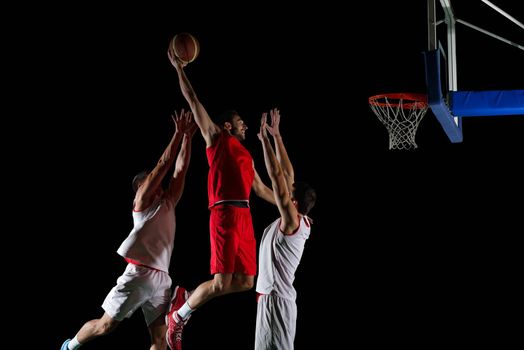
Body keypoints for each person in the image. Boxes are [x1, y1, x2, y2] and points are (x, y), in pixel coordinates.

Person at [166, 45, 276, 350]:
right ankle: (179, 315)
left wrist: (286, 206)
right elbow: (193, 99)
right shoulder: (216, 137)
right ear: (228, 125)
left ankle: (186, 300)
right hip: (224, 213)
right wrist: (179, 69)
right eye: (241, 122)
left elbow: (262, 189)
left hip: (245, 217)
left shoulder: (247, 157)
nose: (245, 125)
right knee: (219, 282)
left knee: (245, 283)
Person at [60, 110, 197, 350]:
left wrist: (187, 138)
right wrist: (177, 134)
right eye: (150, 179)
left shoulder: (167, 202)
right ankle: (70, 346)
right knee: (105, 326)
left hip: (162, 278)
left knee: (160, 341)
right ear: (140, 187)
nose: (157, 182)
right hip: (139, 274)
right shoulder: (142, 202)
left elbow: (180, 169)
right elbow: (164, 165)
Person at [255, 108, 317, 350]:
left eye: (289, 195)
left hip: (275, 301)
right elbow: (282, 177)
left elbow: (277, 178)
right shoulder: (295, 218)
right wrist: (277, 137)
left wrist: (264, 140)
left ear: (293, 203)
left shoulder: (292, 223)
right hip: (272, 300)